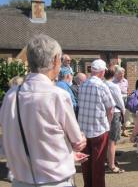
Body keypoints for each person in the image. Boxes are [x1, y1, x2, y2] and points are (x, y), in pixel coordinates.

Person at [0, 34, 86, 187]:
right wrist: (80, 141)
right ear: (55, 60)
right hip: (55, 181)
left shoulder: (11, 95)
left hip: (20, 181)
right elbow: (78, 141)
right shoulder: (58, 96)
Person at [78, 59, 115, 187]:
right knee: (98, 165)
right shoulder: (102, 86)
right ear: (102, 72)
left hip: (83, 129)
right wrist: (108, 124)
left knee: (86, 163)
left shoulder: (82, 84)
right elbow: (110, 108)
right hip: (99, 129)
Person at [104, 67, 126, 173]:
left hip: (103, 113)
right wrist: (124, 111)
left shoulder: (101, 85)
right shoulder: (113, 86)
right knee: (113, 141)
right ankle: (112, 165)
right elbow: (120, 102)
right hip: (115, 113)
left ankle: (108, 160)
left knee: (106, 139)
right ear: (113, 75)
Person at [113, 66, 130, 137]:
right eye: (120, 73)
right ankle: (118, 130)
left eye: (123, 73)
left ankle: (124, 130)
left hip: (125, 98)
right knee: (118, 115)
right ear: (117, 74)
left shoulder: (125, 81)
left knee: (125, 115)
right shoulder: (113, 82)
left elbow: (127, 90)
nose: (122, 75)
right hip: (117, 100)